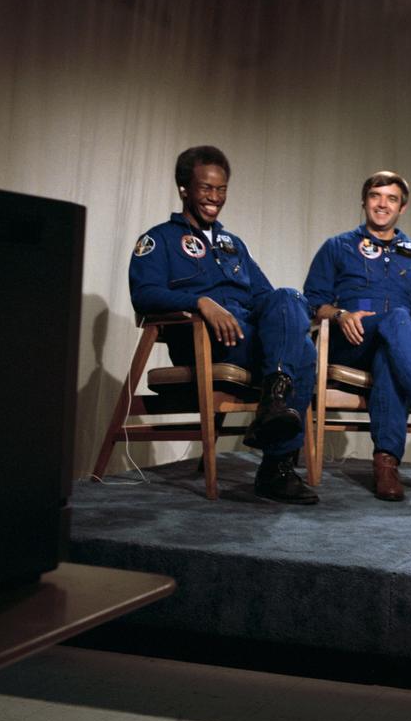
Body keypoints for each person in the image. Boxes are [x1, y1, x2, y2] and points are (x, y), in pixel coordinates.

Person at [129, 145, 318, 505]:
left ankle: (274, 402)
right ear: (184, 188)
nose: (214, 198)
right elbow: (144, 294)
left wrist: (289, 308)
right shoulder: (160, 240)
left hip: (247, 337)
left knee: (290, 298)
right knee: (303, 350)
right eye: (206, 188)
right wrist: (199, 301)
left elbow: (265, 295)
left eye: (221, 190)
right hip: (204, 340)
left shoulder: (234, 246)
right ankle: (276, 466)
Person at [304, 171, 411, 502]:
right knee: (398, 318)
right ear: (364, 201)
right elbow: (312, 301)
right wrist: (340, 315)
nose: (383, 204)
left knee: (391, 348)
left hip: (395, 345)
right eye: (376, 196)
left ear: (402, 207)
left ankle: (386, 466)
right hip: (350, 341)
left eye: (391, 199)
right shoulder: (338, 246)